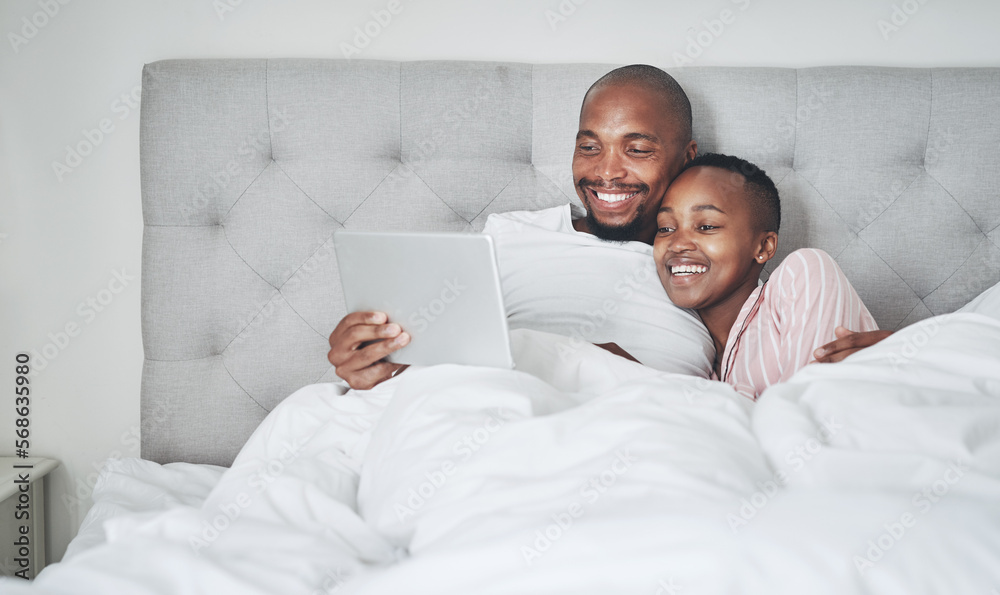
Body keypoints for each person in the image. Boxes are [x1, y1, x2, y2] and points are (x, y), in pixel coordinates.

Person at [327, 65, 887, 390]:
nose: (606, 172)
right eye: (589, 147)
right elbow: (435, 356)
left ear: (686, 155)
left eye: (637, 149)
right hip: (475, 409)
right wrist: (374, 363)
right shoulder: (508, 233)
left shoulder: (696, 273)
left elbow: (767, 380)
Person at [653, 153, 879, 399]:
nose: (677, 244)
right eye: (665, 228)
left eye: (707, 226)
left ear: (763, 247)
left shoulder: (803, 271)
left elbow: (811, 405)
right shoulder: (690, 361)